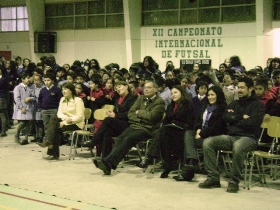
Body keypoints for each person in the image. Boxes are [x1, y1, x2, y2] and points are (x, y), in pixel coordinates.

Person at [198, 76, 265, 193]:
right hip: (231, 136)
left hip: (249, 138)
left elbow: (252, 123)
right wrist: (240, 117)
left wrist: (234, 120)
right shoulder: (235, 103)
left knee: (238, 146)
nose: (239, 90)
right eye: (238, 87)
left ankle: (234, 181)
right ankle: (213, 178)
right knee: (208, 142)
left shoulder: (258, 105)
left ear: (251, 89)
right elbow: (225, 117)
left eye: (242, 87)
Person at [96, 80, 165, 175]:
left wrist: (139, 113)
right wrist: (141, 119)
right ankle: (109, 163)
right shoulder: (140, 98)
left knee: (129, 139)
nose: (146, 89)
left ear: (156, 89)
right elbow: (130, 113)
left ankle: (108, 161)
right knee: (120, 138)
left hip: (148, 129)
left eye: (149, 87)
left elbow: (152, 117)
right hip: (135, 125)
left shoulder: (159, 101)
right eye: (145, 87)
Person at [136, 85, 195, 178]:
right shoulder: (171, 106)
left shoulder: (188, 105)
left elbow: (190, 122)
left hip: (182, 132)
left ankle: (149, 157)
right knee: (164, 136)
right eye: (171, 94)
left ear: (182, 93)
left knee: (164, 132)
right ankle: (167, 166)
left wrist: (175, 124)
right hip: (169, 131)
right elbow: (166, 121)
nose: (173, 95)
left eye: (175, 93)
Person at [174, 86, 227, 181]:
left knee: (188, 143)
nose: (210, 97)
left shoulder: (223, 108)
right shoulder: (205, 106)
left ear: (218, 96)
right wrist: (198, 128)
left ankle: (188, 171)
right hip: (201, 134)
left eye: (212, 95)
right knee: (188, 134)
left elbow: (217, 126)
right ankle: (192, 161)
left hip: (213, 137)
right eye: (208, 95)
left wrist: (202, 133)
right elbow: (198, 120)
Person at [82, 81, 137, 160]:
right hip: (118, 123)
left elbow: (130, 114)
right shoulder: (118, 99)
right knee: (107, 131)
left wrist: (115, 115)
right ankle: (105, 159)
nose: (118, 89)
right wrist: (112, 113)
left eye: (120, 86)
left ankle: (93, 141)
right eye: (116, 88)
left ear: (126, 86)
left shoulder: (133, 98)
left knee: (108, 120)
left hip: (128, 124)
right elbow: (116, 112)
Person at [37, 83, 85, 160]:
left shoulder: (78, 100)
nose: (63, 91)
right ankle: (50, 144)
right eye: (62, 89)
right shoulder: (62, 99)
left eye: (65, 89)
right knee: (54, 119)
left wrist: (67, 121)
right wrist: (65, 119)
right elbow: (59, 113)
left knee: (55, 127)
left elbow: (80, 117)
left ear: (71, 91)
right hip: (64, 121)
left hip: (76, 123)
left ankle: (50, 147)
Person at [38, 73, 62, 141]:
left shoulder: (57, 90)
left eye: (48, 80)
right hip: (44, 110)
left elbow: (59, 100)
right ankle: (47, 139)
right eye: (45, 80)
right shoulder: (42, 90)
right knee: (46, 125)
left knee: (54, 125)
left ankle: (55, 139)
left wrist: (58, 109)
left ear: (53, 81)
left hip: (53, 110)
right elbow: (39, 99)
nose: (46, 82)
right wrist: (40, 108)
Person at [13, 72, 35, 145]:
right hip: (21, 108)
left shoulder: (30, 87)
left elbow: (34, 96)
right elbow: (17, 98)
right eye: (27, 78)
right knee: (22, 123)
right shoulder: (18, 88)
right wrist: (21, 107)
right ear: (22, 79)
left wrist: (30, 98)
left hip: (28, 107)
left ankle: (26, 138)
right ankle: (17, 135)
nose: (29, 79)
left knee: (28, 123)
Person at [0, 65, 9, 136]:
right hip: (3, 97)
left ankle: (3, 131)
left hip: (1, 97)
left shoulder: (3, 79)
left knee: (2, 114)